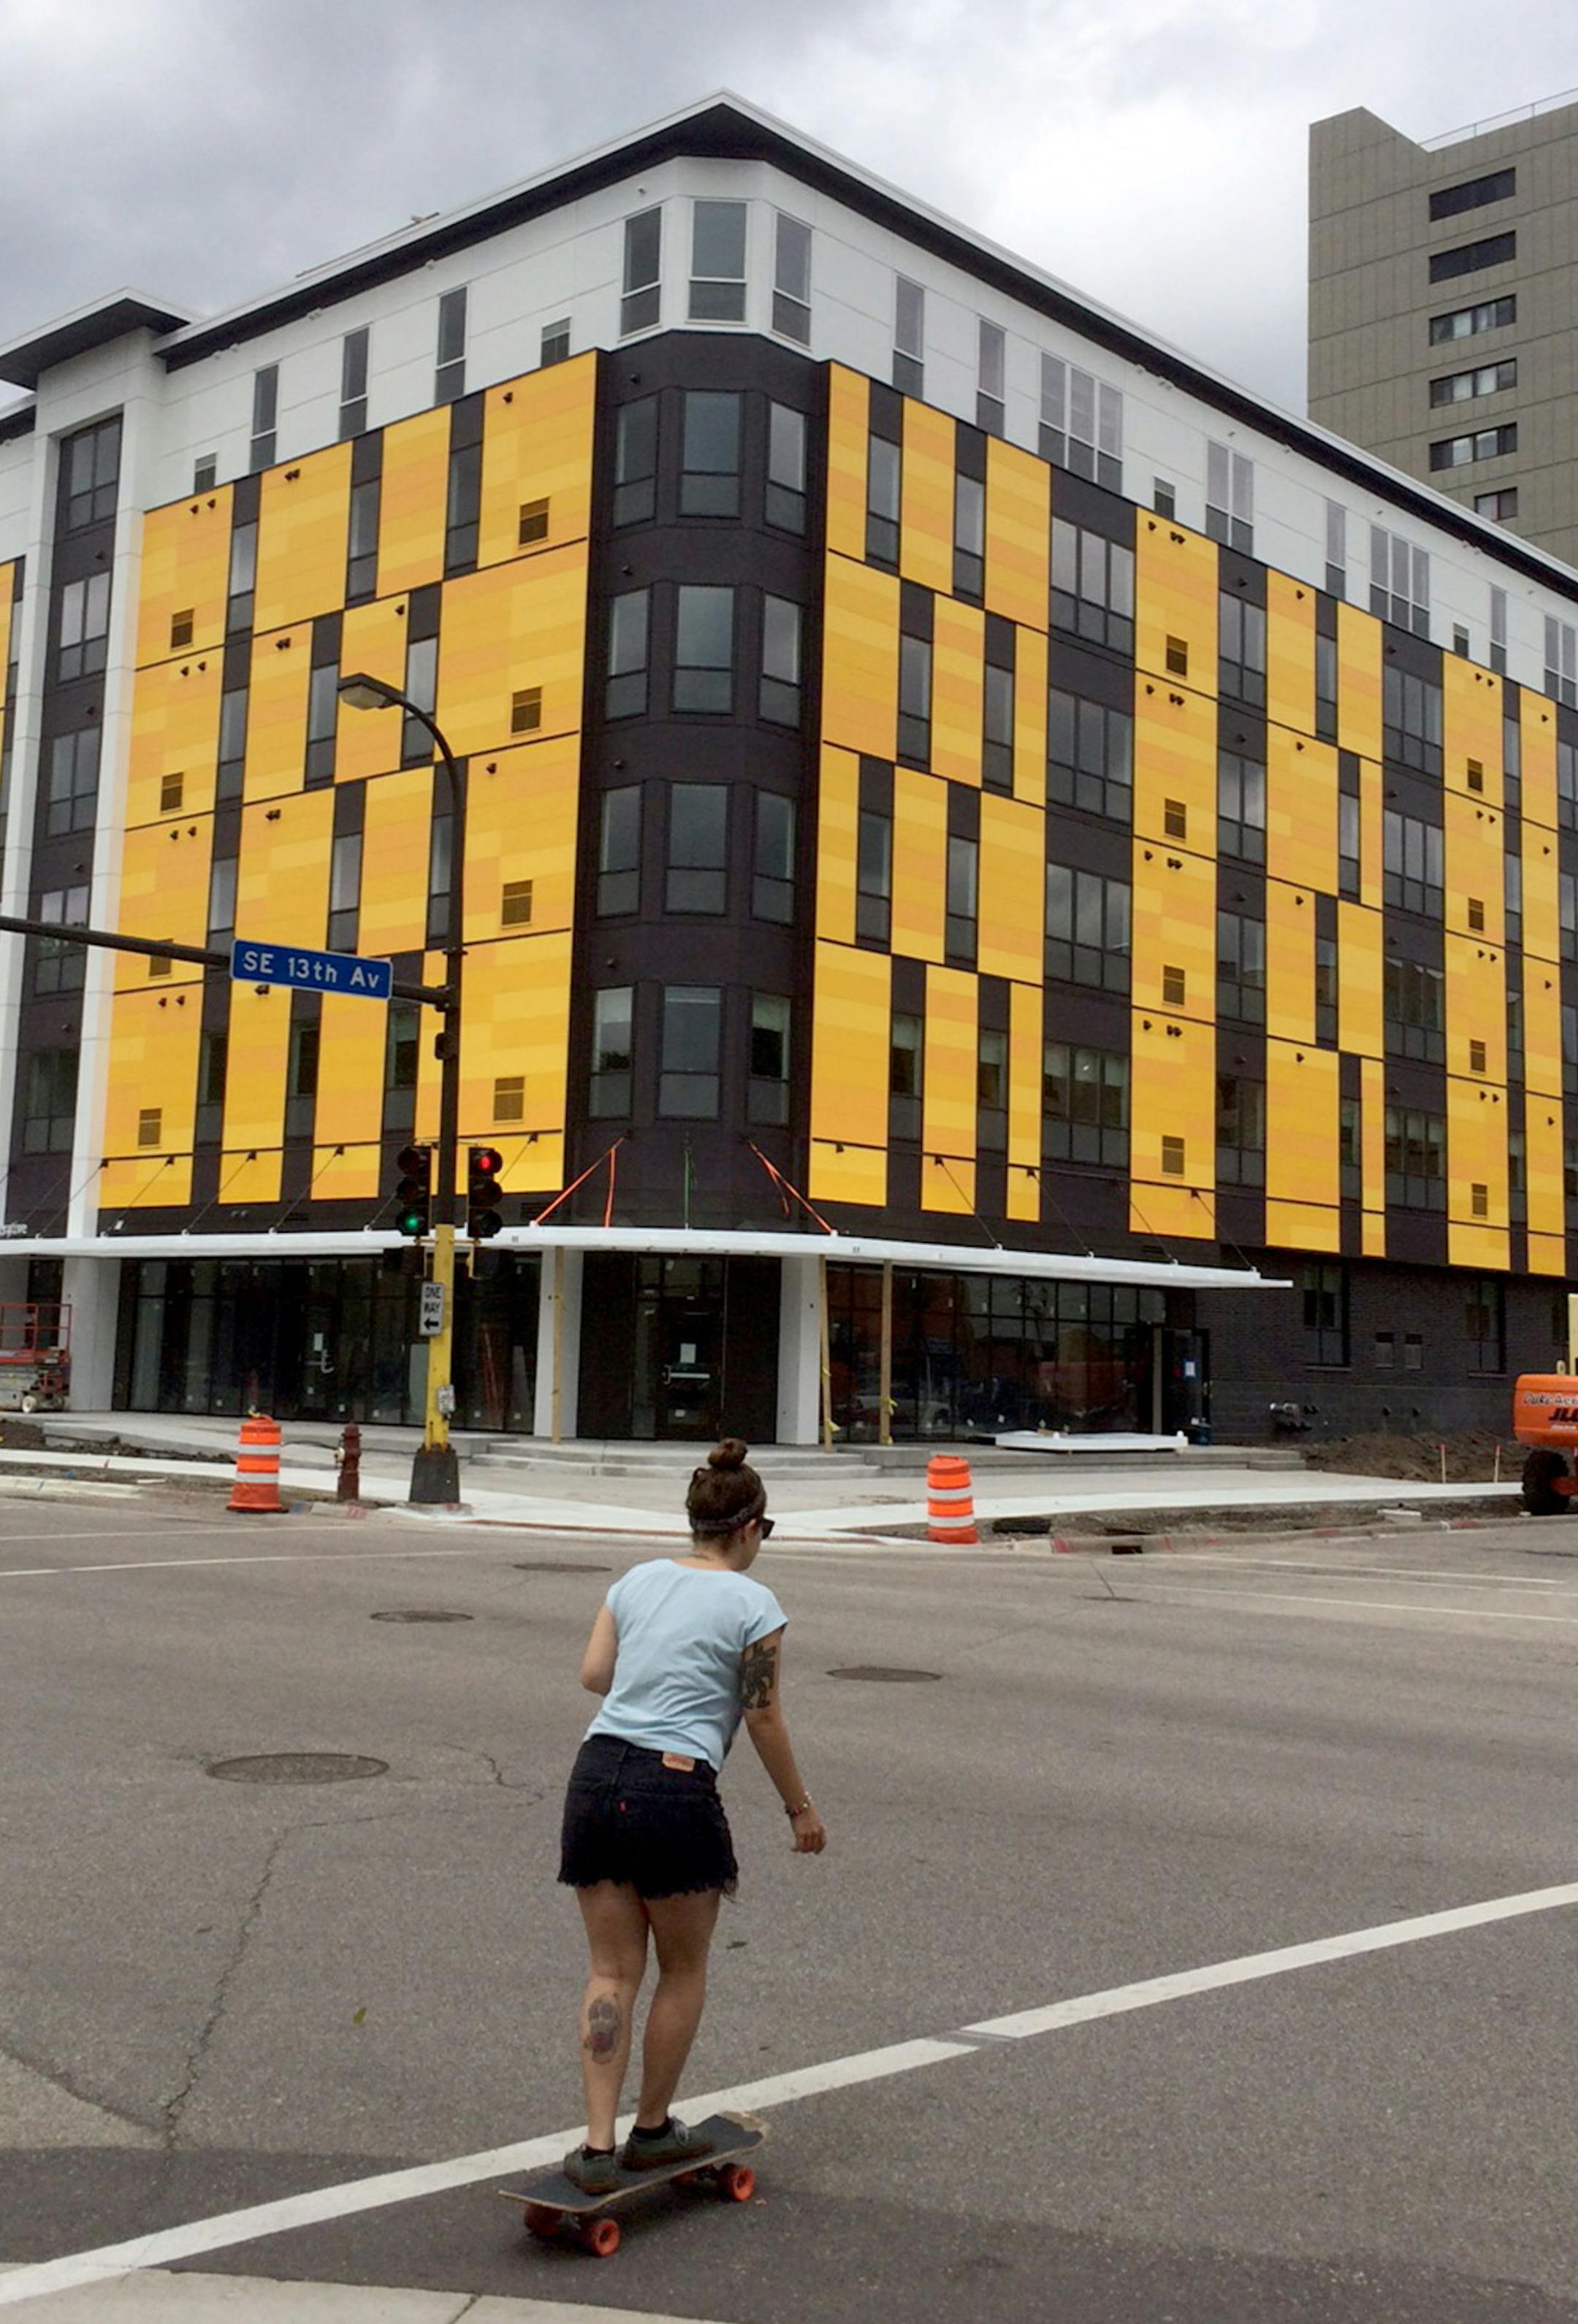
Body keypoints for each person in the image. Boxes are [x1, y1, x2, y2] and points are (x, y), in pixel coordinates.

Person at [557, 1438, 826, 2192]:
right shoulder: (753, 1603)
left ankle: (597, 2145)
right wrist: (799, 1808)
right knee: (681, 1969)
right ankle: (651, 2130)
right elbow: (762, 1714)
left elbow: (595, 1674)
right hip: (672, 1789)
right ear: (750, 1528)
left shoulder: (636, 1579)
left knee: (611, 1969)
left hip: (595, 1774)